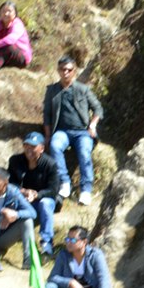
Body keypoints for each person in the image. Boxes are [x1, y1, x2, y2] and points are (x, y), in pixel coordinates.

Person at [42, 55, 104, 206]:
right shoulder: (52, 90)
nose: (66, 73)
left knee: (84, 153)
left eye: (69, 70)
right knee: (55, 146)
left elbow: (98, 108)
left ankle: (86, 190)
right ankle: (64, 183)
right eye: (62, 70)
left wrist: (92, 125)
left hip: (82, 132)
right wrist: (48, 136)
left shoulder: (83, 89)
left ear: (74, 71)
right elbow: (47, 114)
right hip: (62, 131)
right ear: (58, 71)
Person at [29, 226, 112, 288]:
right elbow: (53, 277)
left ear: (84, 242)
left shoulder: (95, 255)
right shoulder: (63, 255)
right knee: (49, 287)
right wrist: (70, 282)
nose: (68, 242)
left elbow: (104, 279)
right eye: (67, 239)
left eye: (73, 240)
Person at [8, 132, 63, 257]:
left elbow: (53, 190)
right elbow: (10, 183)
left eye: (33, 146)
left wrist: (37, 195)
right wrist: (24, 192)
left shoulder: (50, 164)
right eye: (26, 145)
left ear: (42, 148)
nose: (29, 149)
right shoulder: (15, 160)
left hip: (43, 199)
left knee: (45, 203)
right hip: (22, 197)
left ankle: (47, 244)